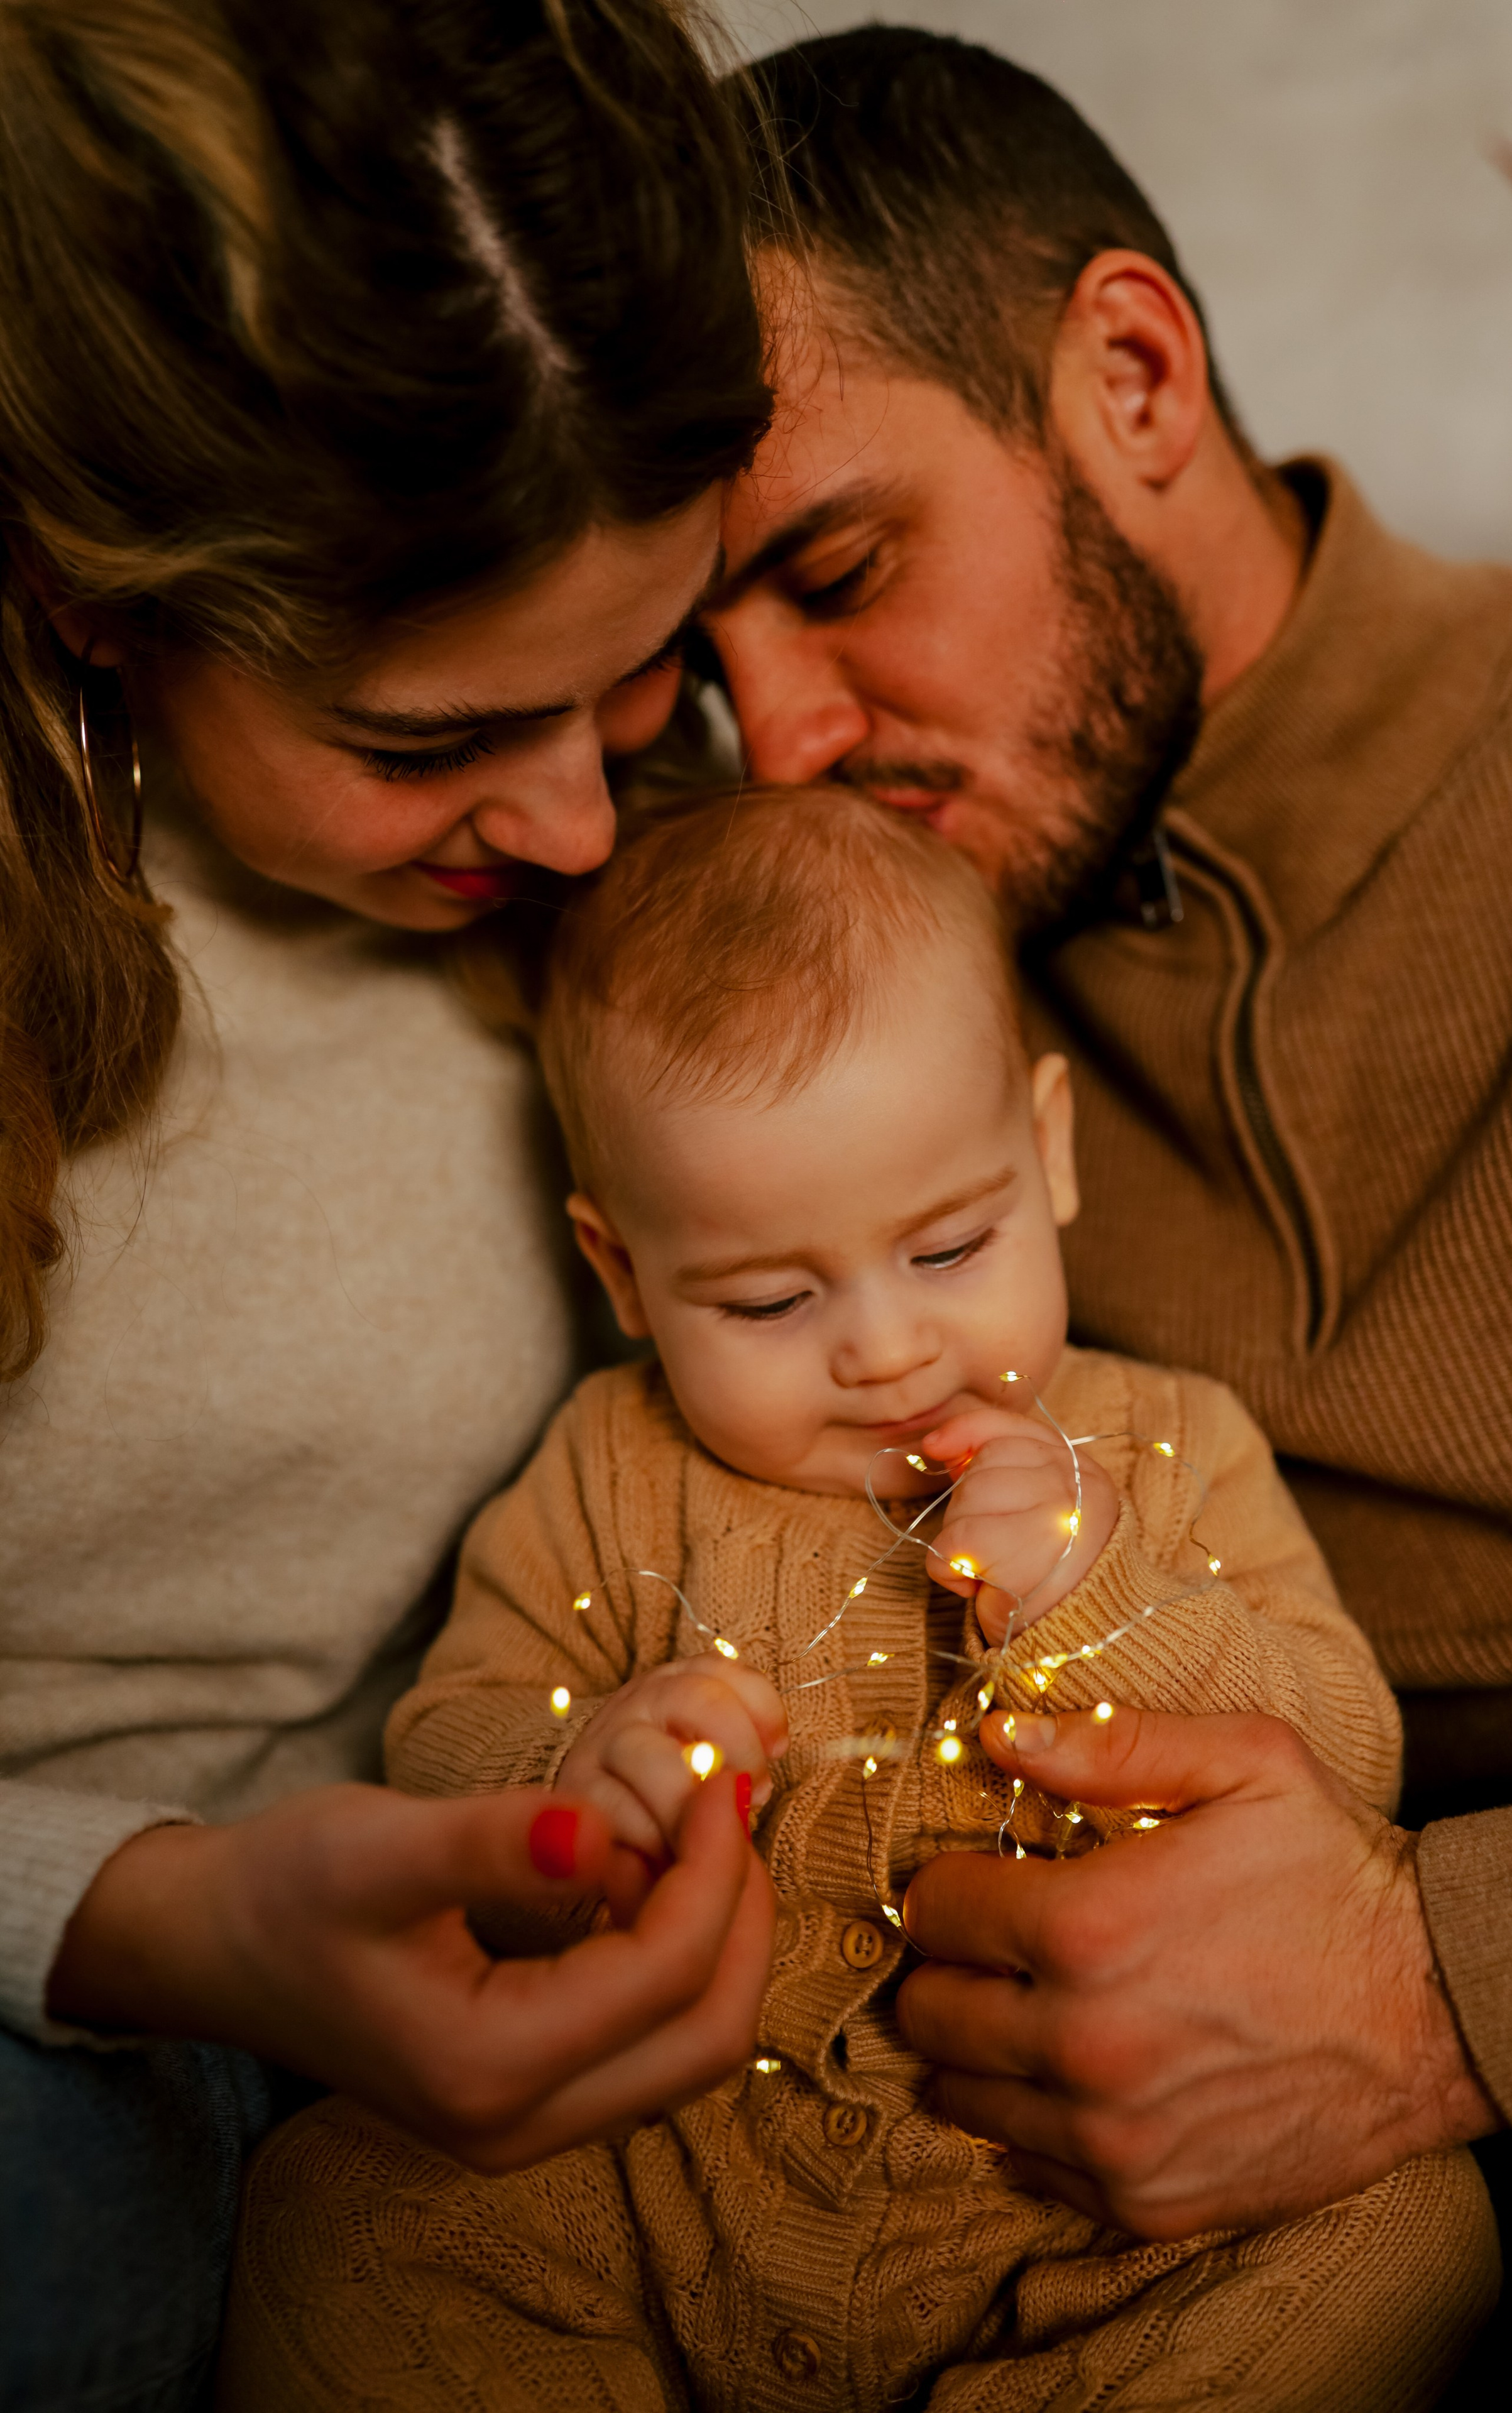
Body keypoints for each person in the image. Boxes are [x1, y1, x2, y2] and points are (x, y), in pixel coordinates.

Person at [703, 23, 1512, 2401]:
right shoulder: (826, 996)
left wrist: (1453, 1983)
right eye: (698, 674)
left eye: (836, 571)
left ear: (1130, 374)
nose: (781, 742)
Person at [221, 787, 1495, 2413]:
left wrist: (1100, 1592)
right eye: (767, 1296)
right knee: (339, 2211)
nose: (886, 1350)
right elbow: (447, 1742)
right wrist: (579, 1779)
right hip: (667, 2172)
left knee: (1409, 2238)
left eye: (953, 1250)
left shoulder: (1168, 1448)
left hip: (1085, 2201)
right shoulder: (614, 1469)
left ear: (1048, 1153)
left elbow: (1348, 1759)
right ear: (621, 1275)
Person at [0, 4, 776, 2406]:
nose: (567, 825)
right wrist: (158, 1916)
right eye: (426, 742)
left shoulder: (686, 806)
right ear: (99, 593)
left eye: (643, 668)